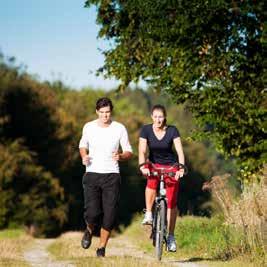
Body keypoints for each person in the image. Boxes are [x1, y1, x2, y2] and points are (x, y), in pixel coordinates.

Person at [79, 97, 133, 257]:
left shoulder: (119, 128)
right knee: (92, 212)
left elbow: (129, 151)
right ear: (97, 112)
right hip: (92, 173)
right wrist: (84, 156)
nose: (105, 115)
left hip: (112, 175)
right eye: (102, 112)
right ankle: (89, 229)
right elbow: (83, 145)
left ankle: (101, 248)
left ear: (111, 112)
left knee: (110, 215)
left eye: (107, 112)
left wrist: (121, 156)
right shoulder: (88, 127)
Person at [138, 104, 185, 252]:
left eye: (161, 117)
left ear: (165, 117)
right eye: (156, 117)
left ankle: (170, 236)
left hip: (171, 166)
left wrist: (181, 167)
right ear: (152, 117)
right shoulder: (146, 130)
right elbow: (142, 150)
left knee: (171, 202)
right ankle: (149, 213)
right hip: (153, 164)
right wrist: (142, 165)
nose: (158, 120)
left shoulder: (172, 130)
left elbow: (179, 151)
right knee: (151, 182)